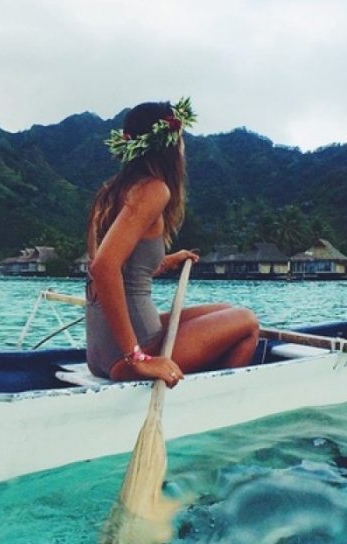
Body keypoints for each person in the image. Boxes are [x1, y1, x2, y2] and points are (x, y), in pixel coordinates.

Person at [85, 98, 259, 387]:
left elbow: (124, 269)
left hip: (100, 352)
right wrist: (137, 357)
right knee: (247, 322)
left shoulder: (111, 193)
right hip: (131, 352)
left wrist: (165, 261)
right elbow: (103, 268)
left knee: (225, 309)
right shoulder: (153, 190)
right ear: (169, 143)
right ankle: (210, 404)